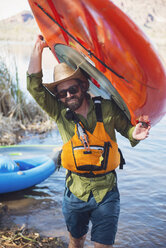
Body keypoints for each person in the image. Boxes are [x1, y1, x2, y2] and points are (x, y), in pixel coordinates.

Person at [27, 35, 150, 248]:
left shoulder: (108, 108)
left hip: (106, 192)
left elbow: (128, 130)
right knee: (76, 241)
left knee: (103, 245)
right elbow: (34, 88)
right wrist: (38, 49)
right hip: (75, 191)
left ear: (83, 86)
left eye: (72, 89)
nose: (68, 95)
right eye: (62, 93)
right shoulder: (59, 112)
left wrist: (135, 133)